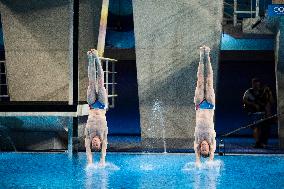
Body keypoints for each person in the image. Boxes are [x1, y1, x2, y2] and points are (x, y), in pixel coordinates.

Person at [194, 45, 216, 166]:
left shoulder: (197, 141)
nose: (203, 147)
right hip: (210, 105)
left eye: (201, 149)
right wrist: (209, 161)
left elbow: (197, 159)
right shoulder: (212, 141)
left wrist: (198, 161)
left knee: (200, 80)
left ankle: (201, 55)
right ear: (209, 148)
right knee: (209, 81)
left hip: (199, 105)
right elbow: (211, 155)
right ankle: (207, 54)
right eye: (205, 149)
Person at [85, 49, 108, 166]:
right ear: (100, 143)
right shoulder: (103, 137)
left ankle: (90, 59)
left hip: (92, 105)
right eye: (96, 144)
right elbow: (104, 151)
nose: (94, 143)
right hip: (102, 105)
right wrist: (102, 160)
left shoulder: (88, 137)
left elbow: (88, 152)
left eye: (93, 144)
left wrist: (90, 162)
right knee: (100, 82)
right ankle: (97, 58)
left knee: (91, 83)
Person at [243, 78, 274, 148]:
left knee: (265, 128)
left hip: (264, 113)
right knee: (256, 127)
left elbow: (270, 102)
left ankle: (263, 143)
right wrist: (253, 104)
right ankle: (257, 142)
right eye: (254, 84)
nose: (256, 86)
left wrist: (269, 92)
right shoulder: (249, 92)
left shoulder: (264, 92)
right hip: (254, 113)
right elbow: (245, 101)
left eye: (257, 84)